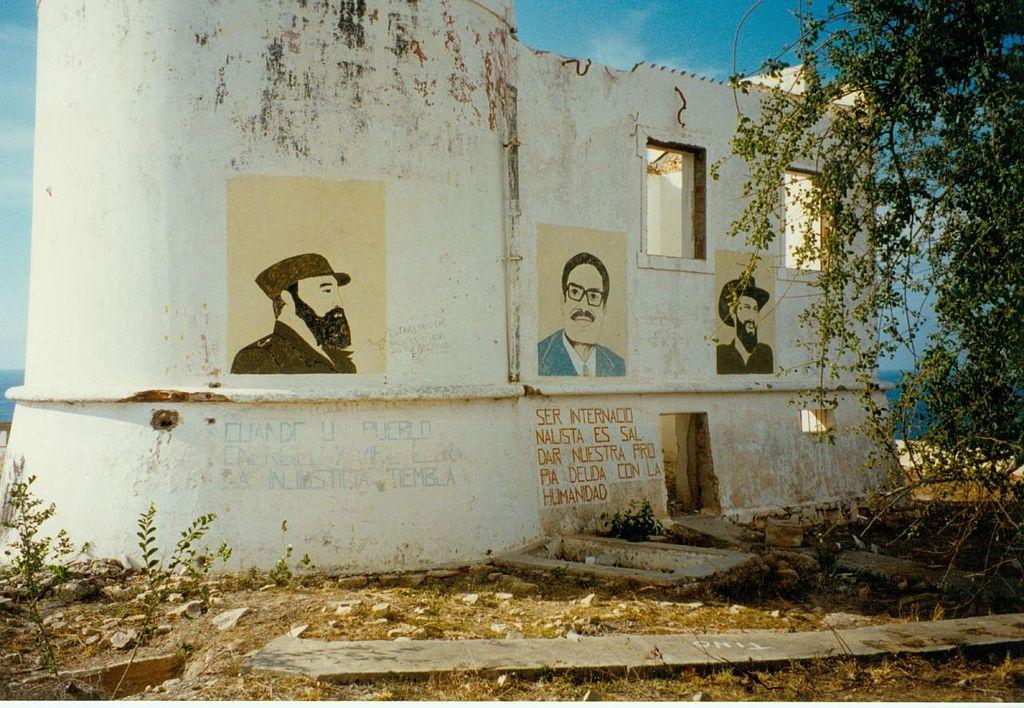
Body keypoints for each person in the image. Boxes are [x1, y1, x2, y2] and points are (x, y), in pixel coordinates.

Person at [231, 253, 356, 374]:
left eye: (337, 292)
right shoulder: (258, 358)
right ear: (288, 299)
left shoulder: (338, 360)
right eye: (327, 291)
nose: (339, 302)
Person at [538, 252, 625, 377]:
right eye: (575, 292)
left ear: (604, 308)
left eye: (593, 296)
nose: (584, 306)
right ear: (563, 301)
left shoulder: (618, 365)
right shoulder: (537, 358)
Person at [716, 276, 773, 374]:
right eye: (747, 308)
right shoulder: (722, 354)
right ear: (733, 313)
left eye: (755, 309)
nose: (752, 316)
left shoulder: (764, 353)